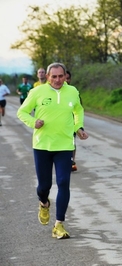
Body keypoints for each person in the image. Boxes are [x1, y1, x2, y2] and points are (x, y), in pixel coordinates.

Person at [17, 62, 89, 239]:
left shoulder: (72, 91)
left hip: (64, 145)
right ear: (47, 77)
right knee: (44, 186)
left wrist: (78, 127)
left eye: (60, 76)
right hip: (42, 146)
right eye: (54, 76)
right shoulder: (37, 92)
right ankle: (43, 202)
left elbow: (78, 110)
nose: (57, 80)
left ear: (66, 76)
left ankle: (59, 225)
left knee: (64, 182)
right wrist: (34, 122)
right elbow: (22, 112)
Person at [66, 70, 78, 171]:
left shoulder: (74, 92)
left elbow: (79, 110)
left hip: (71, 124)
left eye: (68, 78)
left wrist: (79, 126)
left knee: (72, 142)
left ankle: (71, 161)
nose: (66, 80)